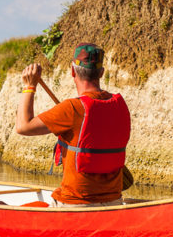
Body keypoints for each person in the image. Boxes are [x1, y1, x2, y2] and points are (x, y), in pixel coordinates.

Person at [15, 43, 130, 206]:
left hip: (75, 204)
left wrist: (29, 86)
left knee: (21, 206)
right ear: (101, 72)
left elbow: (23, 126)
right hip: (114, 202)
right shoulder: (120, 104)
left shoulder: (72, 109)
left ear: (72, 71)